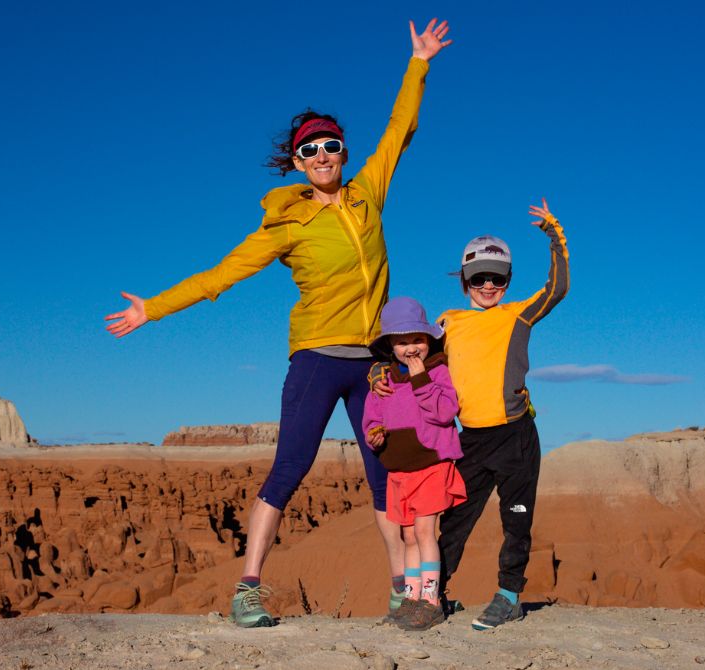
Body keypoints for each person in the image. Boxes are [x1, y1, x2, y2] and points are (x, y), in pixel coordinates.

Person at [104, 19, 454, 628]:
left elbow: (400, 130)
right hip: (317, 357)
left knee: (386, 471)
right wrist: (151, 308)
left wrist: (417, 62)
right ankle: (247, 589)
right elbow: (221, 275)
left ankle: (401, 591)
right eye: (309, 150)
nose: (322, 157)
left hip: (374, 363)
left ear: (344, 152)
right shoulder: (285, 223)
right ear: (296, 162)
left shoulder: (368, 192)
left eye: (331, 146)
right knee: (290, 466)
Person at [371, 199, 569, 630]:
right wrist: (376, 373)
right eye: (478, 278)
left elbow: (556, 289)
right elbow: (410, 356)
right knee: (455, 522)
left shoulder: (518, 315)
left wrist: (554, 234)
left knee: (516, 520)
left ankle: (509, 595)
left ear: (507, 281)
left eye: (496, 279)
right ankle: (434, 598)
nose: (487, 285)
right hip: (470, 440)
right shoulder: (448, 322)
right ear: (464, 282)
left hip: (516, 435)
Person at [362, 297, 466, 631]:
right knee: (408, 537)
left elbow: (445, 412)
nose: (411, 348)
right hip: (400, 472)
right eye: (402, 342)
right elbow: (371, 418)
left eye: (417, 340)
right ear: (390, 346)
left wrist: (421, 379)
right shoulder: (383, 381)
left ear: (429, 340)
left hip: (431, 465)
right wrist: (373, 436)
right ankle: (411, 597)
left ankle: (431, 601)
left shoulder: (438, 372)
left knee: (424, 531)